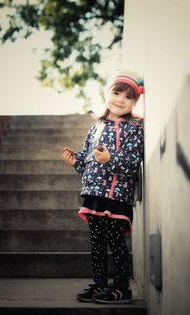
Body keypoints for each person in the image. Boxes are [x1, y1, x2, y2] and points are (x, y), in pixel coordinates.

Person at [62, 70, 144, 304]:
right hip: (94, 195)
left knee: (115, 241)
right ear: (107, 93)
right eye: (116, 92)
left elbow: (131, 162)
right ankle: (99, 284)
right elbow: (89, 163)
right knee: (96, 242)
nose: (120, 100)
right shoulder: (96, 127)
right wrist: (76, 161)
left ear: (134, 102)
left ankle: (121, 287)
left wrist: (111, 159)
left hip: (117, 196)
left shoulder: (134, 128)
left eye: (128, 97)